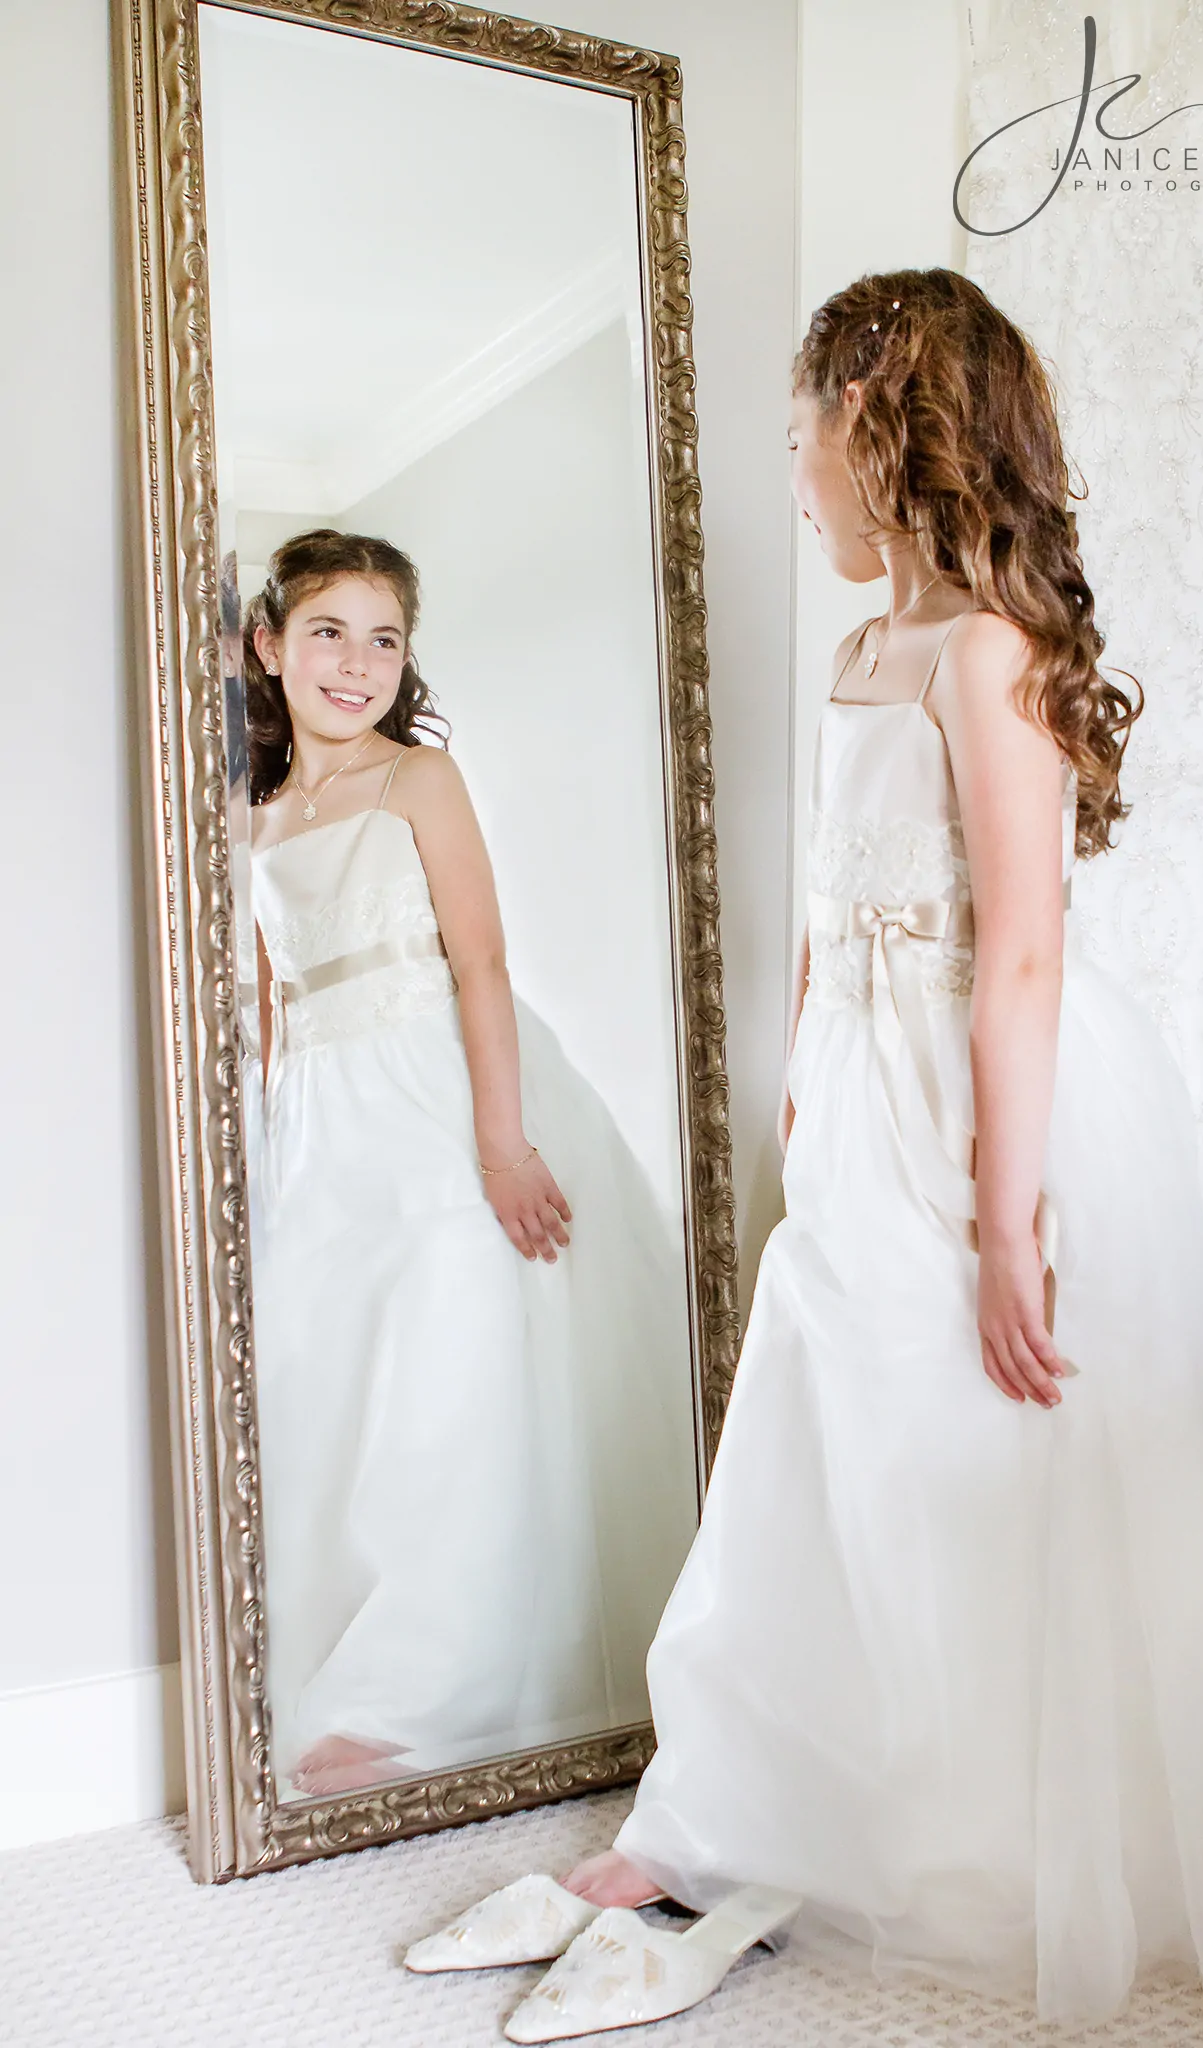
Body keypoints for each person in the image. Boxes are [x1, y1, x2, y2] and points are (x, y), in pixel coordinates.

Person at [451, 273, 1203, 2036]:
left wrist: (1009, 1215)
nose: (794, 479)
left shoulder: (991, 654)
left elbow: (1021, 941)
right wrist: (806, 1065)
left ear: (891, 432)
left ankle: (906, 1829)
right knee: (821, 1423)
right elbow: (831, 894)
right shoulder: (866, 650)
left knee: (976, 1431)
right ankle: (712, 1814)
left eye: (804, 440)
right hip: (866, 1089)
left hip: (986, 1091)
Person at [244, 529, 696, 1798]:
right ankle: (348, 1650)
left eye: (385, 638)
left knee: (453, 1375)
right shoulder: (257, 819)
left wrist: (500, 1139)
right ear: (270, 646)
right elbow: (274, 1002)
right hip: (327, 1123)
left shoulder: (418, 782)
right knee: (343, 1381)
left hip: (440, 1089)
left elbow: (480, 961)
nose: (358, 662)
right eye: (329, 630)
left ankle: (422, 1686)